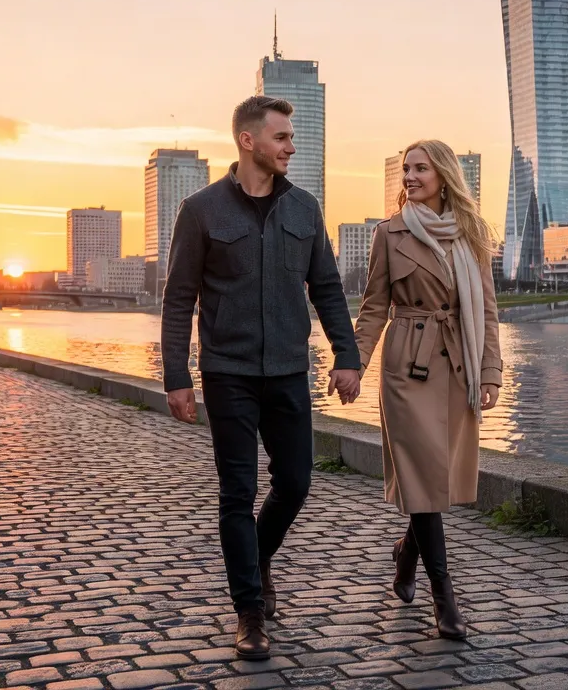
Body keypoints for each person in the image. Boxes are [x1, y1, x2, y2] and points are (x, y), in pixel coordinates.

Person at [161, 95, 361, 661]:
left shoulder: (305, 209)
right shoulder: (200, 210)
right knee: (237, 495)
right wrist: (177, 376)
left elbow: (326, 287)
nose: (290, 146)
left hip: (289, 372)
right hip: (228, 373)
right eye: (281, 137)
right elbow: (178, 299)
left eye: (291, 137)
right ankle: (249, 613)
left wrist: (346, 355)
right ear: (248, 140)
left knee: (296, 482)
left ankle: (257, 557)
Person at [353, 139, 502, 640]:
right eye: (405, 170)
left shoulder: (471, 235)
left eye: (419, 168)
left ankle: (406, 552)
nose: (410, 177)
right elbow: (374, 307)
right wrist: (352, 364)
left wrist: (491, 373)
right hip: (406, 367)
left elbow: (487, 310)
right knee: (421, 475)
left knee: (434, 481)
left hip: (457, 361)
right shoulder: (389, 233)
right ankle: (446, 598)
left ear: (443, 174)